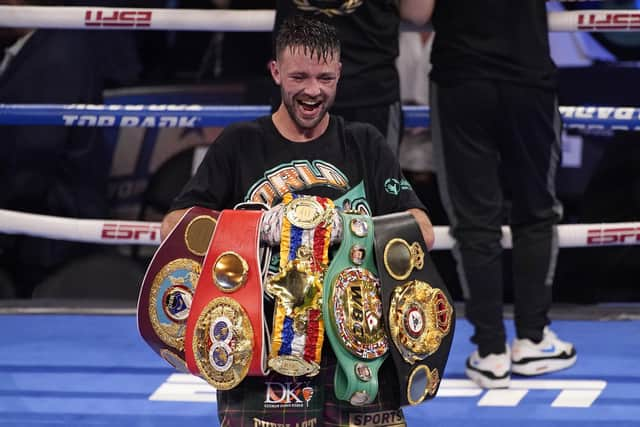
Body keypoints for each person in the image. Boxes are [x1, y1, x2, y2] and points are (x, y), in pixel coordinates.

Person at [161, 15, 434, 427]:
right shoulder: (241, 142)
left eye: (325, 78)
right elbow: (175, 227)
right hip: (263, 344)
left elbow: (422, 229)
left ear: (339, 73)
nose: (312, 91)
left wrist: (350, 229)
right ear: (275, 72)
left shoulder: (363, 142)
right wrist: (253, 229)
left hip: (357, 344)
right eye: (299, 76)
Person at [419, 1, 577, 388]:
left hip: (462, 77)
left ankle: (491, 352)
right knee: (536, 210)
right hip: (527, 76)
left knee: (474, 218)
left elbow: (416, 13)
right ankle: (532, 339)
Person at [0, 0, 141, 298]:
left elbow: (30, 164)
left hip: (50, 241)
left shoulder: (55, 56)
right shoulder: (36, 47)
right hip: (36, 229)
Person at [271, 0, 435, 155]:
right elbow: (417, 14)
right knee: (372, 182)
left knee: (295, 180)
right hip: (369, 86)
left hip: (301, 85)